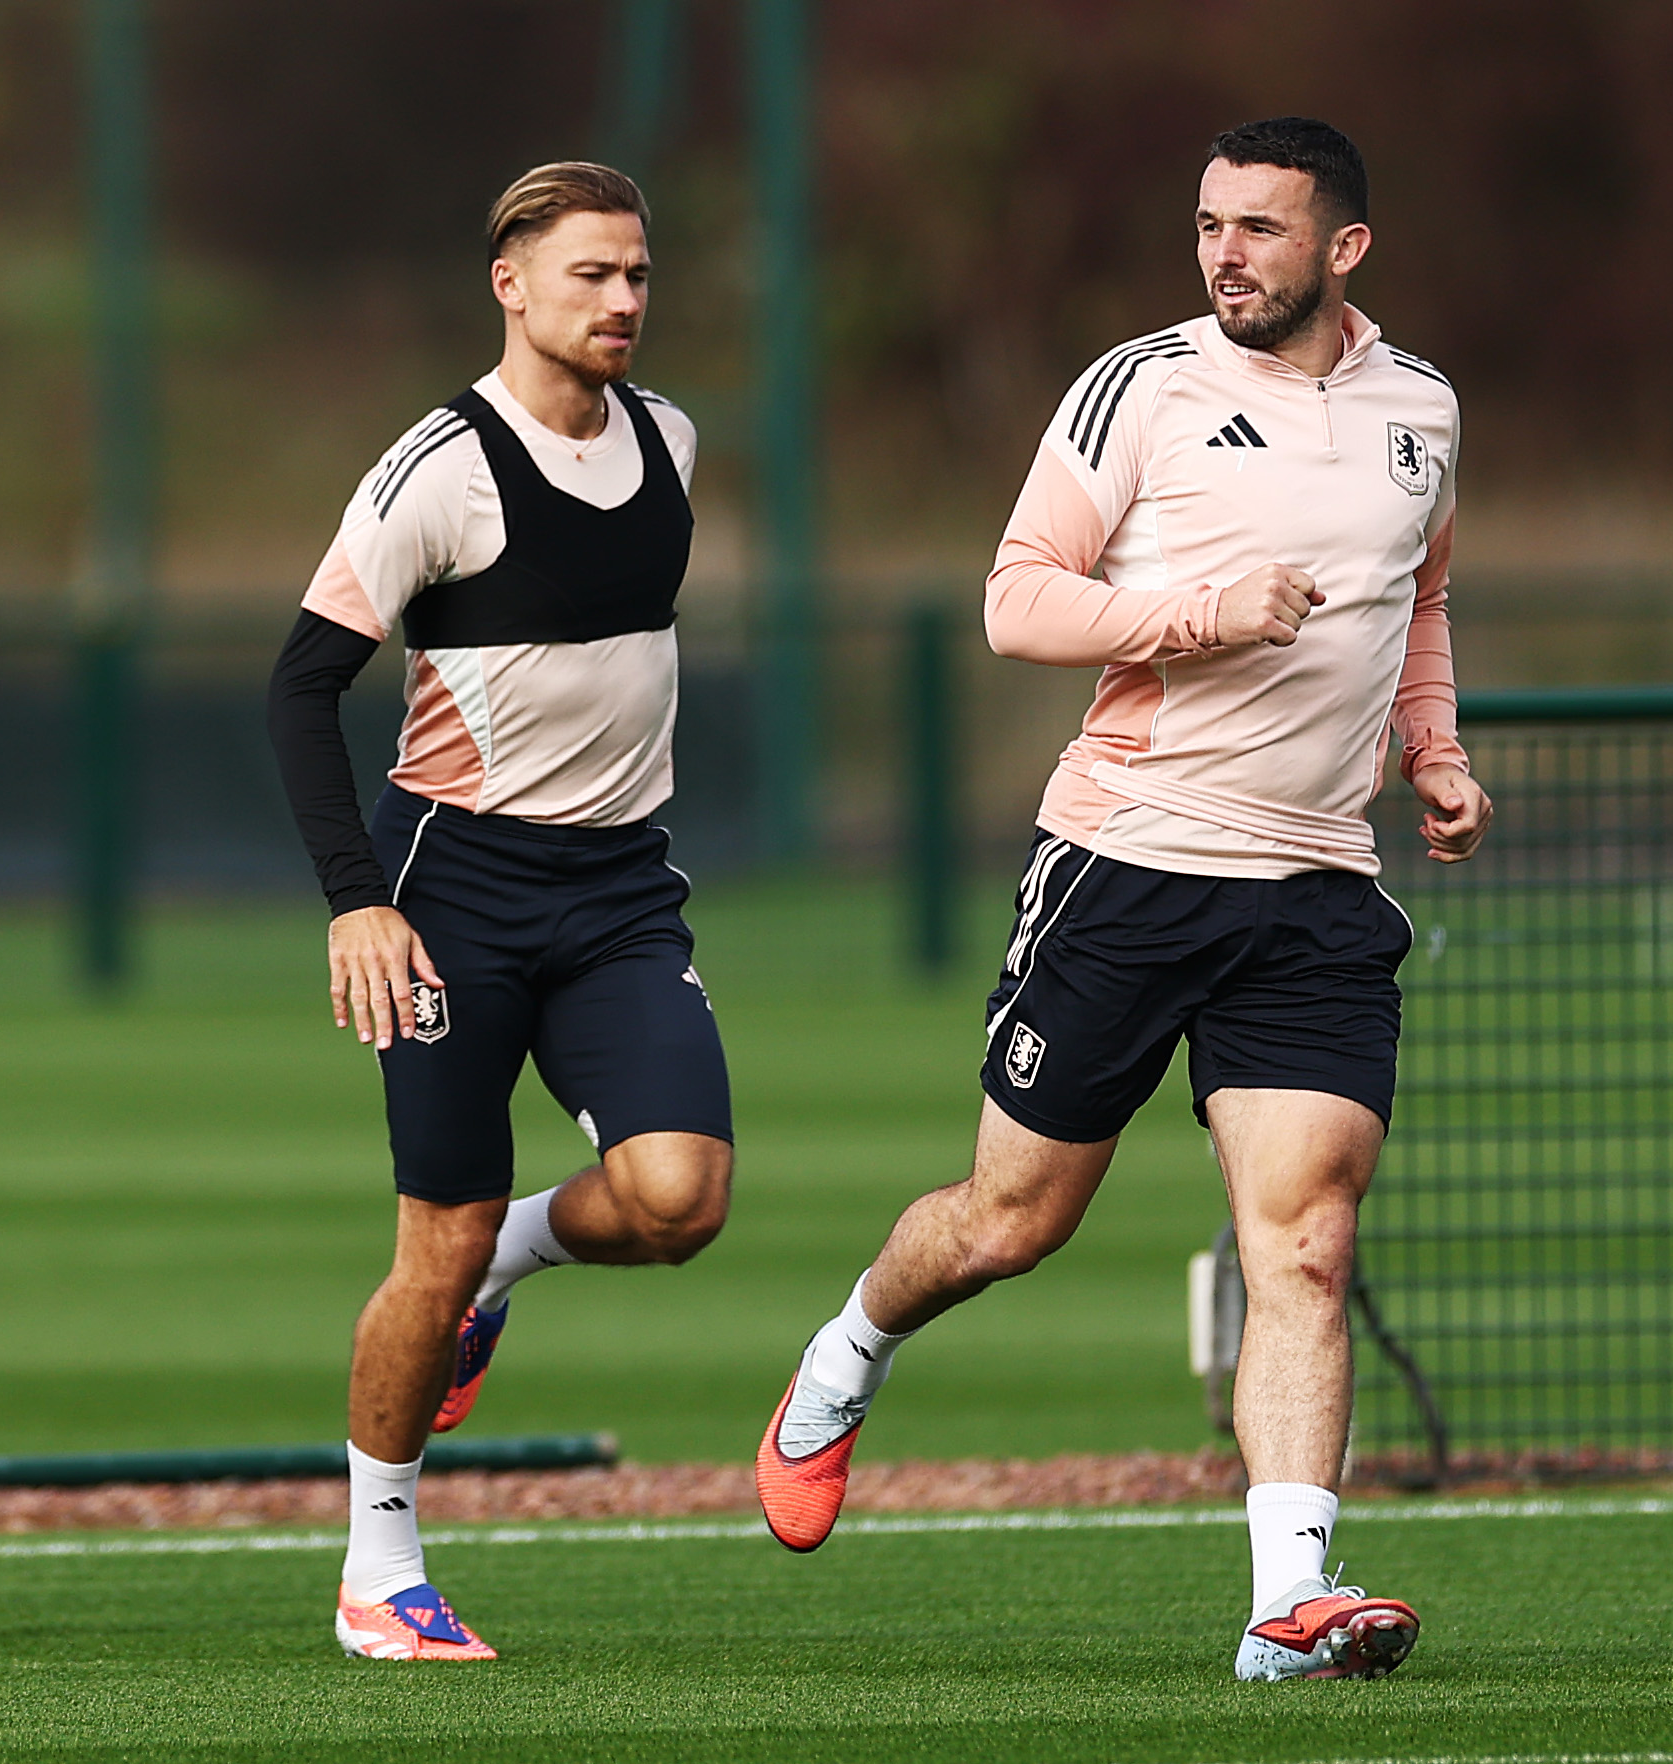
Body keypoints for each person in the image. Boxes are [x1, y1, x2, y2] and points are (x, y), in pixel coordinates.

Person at [753, 117, 1491, 1683]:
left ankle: (1284, 1607)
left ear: (1341, 249)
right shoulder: (1140, 385)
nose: (1224, 251)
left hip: (1313, 889)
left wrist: (1430, 747)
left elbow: (1415, 601)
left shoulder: (1418, 406)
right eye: (1210, 223)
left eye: (1261, 229)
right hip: (1131, 860)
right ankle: (847, 1351)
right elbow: (1015, 600)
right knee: (1010, 1224)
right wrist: (1201, 614)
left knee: (1303, 1243)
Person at [267, 161, 732, 1661]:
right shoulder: (436, 472)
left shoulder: (668, 440)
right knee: (432, 1233)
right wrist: (356, 904)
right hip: (452, 890)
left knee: (680, 1200)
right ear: (509, 284)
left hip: (617, 889)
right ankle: (376, 1567)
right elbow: (298, 690)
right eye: (590, 273)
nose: (621, 301)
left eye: (639, 275)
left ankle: (513, 1264)